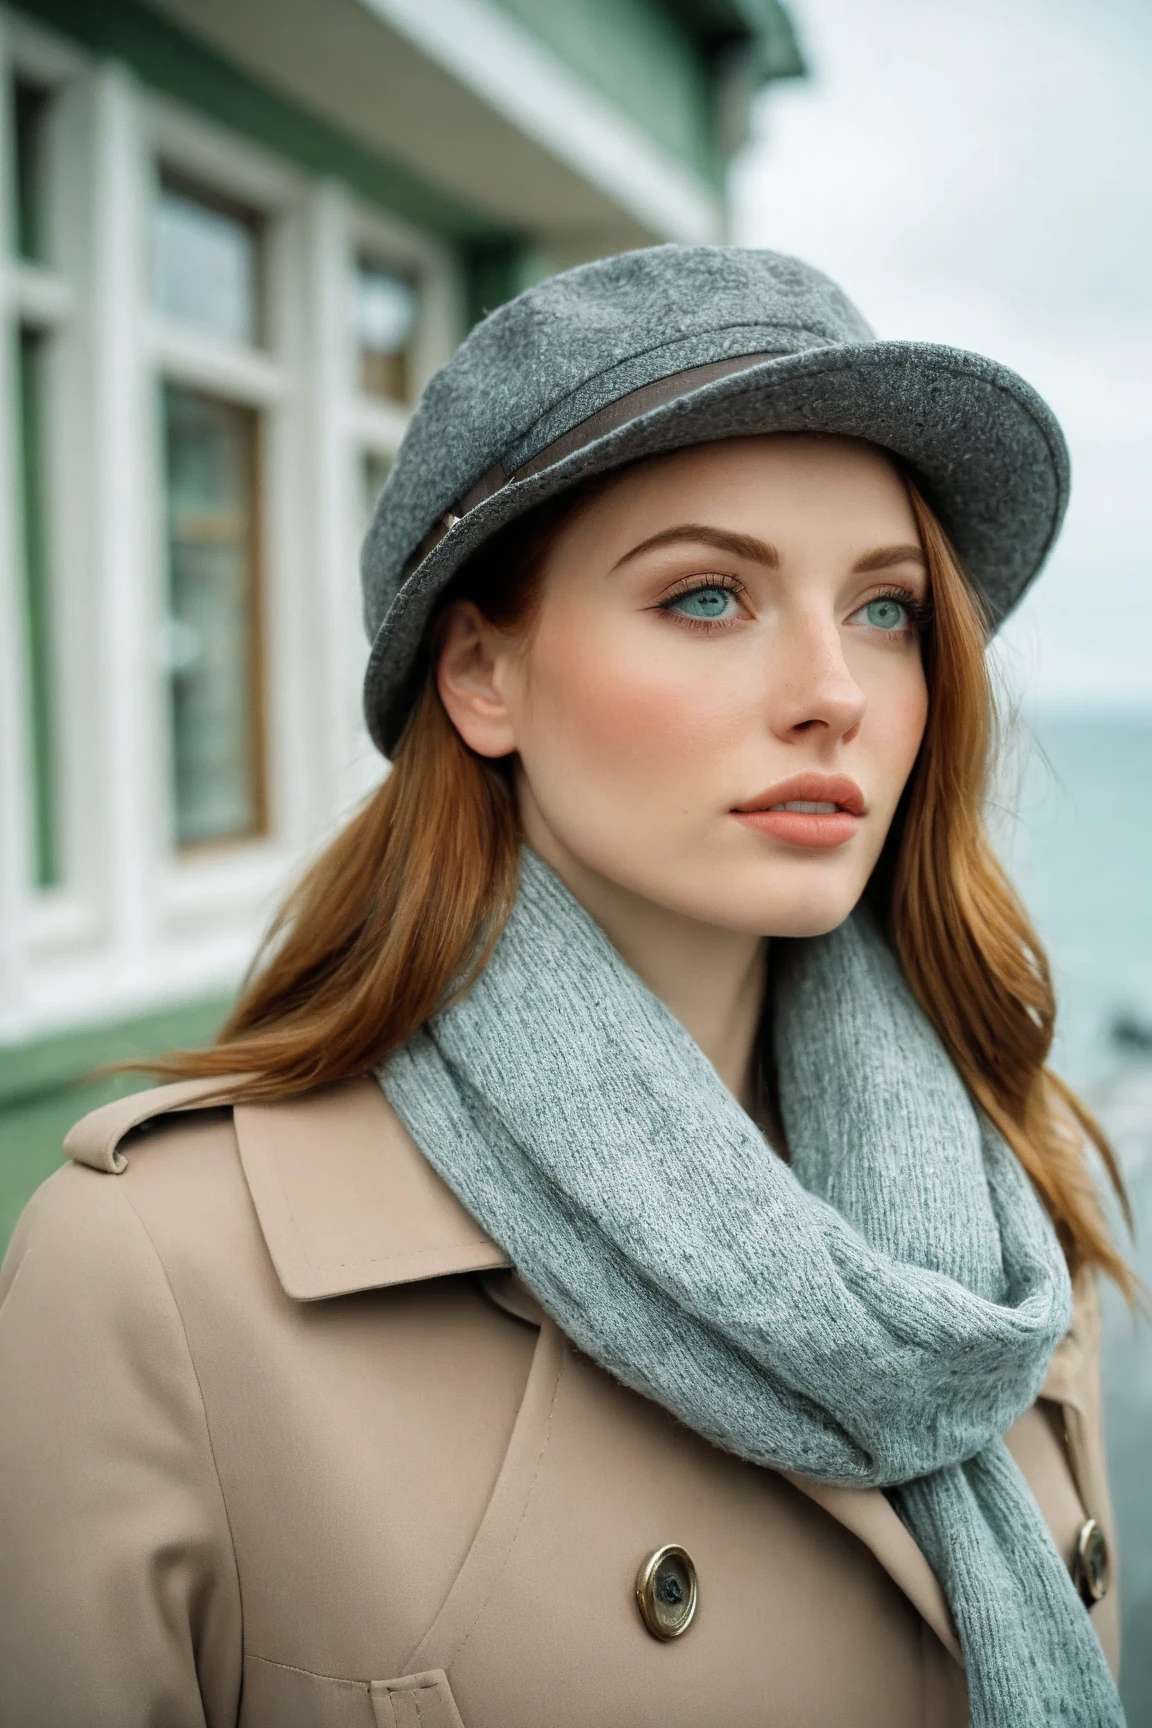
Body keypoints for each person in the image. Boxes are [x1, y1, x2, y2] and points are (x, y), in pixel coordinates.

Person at [0, 247, 1133, 1728]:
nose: (837, 692)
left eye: (887, 610)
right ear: (482, 674)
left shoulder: (1006, 1217)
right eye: (712, 596)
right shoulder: (165, 1275)